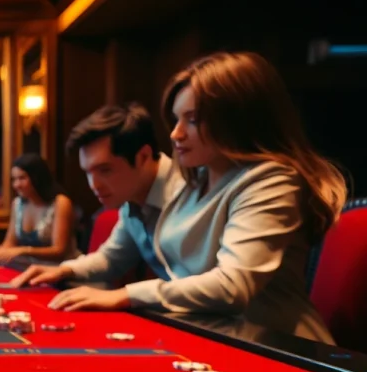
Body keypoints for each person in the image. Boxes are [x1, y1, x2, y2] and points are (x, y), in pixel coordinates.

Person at [41, 52, 346, 343]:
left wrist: (125, 295)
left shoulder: (271, 179)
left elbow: (231, 286)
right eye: (176, 120)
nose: (175, 134)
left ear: (238, 118)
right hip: (214, 335)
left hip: (279, 348)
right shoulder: (195, 179)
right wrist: (67, 270)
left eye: (193, 119)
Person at [10, 103, 182, 288]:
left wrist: (126, 296)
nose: (94, 185)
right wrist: (63, 270)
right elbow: (111, 258)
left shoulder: (187, 190)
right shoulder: (132, 197)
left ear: (143, 157)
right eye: (88, 172)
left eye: (105, 170)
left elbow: (201, 286)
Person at [0, 154, 79, 268]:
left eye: (22, 178)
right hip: (29, 266)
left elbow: (59, 250)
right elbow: (10, 242)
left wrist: (23, 250)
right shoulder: (17, 203)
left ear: (37, 178)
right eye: (14, 179)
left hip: (60, 269)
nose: (16, 185)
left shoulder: (60, 202)